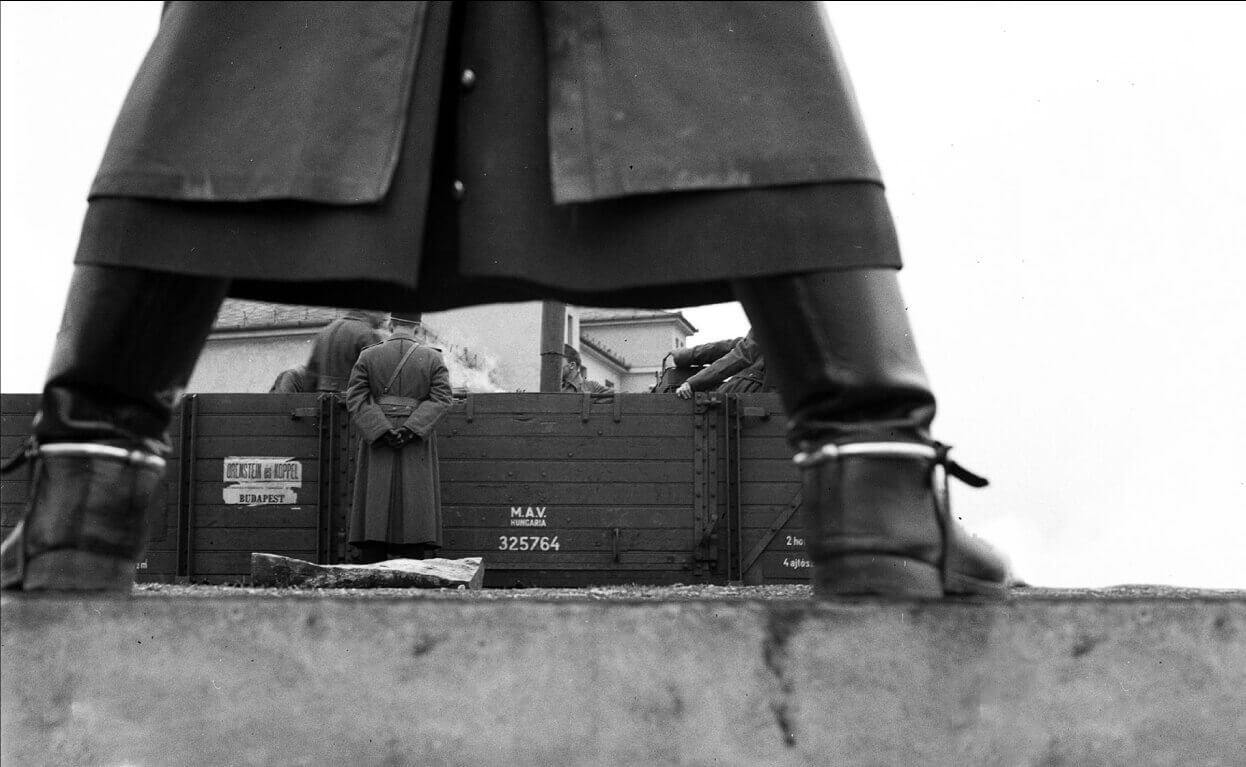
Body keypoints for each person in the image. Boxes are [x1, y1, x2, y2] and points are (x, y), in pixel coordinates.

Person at [1, 2, 1010, 600]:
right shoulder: (374, 352)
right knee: (715, 30)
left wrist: (396, 413)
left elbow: (401, 392)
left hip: (400, 457)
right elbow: (336, 387)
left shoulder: (412, 358)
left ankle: (80, 502)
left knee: (259, 39)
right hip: (384, 458)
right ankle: (873, 481)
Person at [343, 312, 453, 564]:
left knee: (375, 500)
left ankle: (372, 560)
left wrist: (381, 429)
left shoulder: (368, 356)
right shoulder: (433, 357)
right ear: (418, 327)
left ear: (391, 325)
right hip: (415, 440)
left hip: (378, 439)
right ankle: (413, 561)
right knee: (415, 500)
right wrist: (412, 428)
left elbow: (356, 397)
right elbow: (442, 399)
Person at [307, 309, 390, 393]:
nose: (384, 318)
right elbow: (378, 377)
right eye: (383, 312)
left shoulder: (325, 332)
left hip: (322, 400)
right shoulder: (368, 334)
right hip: (353, 400)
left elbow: (310, 377)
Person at [674, 329, 771, 399]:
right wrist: (687, 355)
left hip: (761, 389)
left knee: (709, 402)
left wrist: (692, 383)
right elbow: (738, 345)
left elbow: (742, 354)